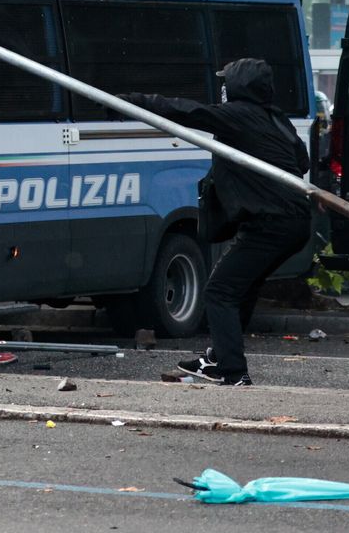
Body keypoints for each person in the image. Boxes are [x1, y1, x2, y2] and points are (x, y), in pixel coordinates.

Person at [121, 58, 311, 386]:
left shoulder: (239, 115)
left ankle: (232, 370)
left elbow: (188, 111)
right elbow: (302, 159)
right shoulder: (276, 119)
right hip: (295, 221)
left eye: (225, 83)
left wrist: (133, 102)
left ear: (236, 87)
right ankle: (217, 357)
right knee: (241, 287)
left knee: (220, 291)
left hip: (272, 222)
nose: (221, 88)